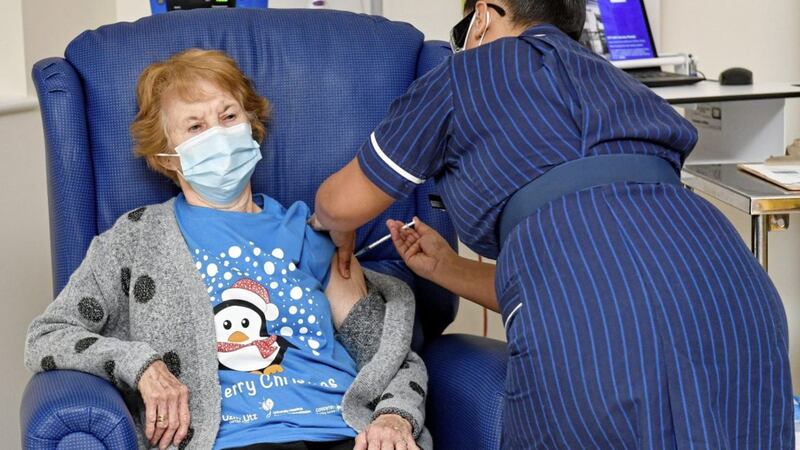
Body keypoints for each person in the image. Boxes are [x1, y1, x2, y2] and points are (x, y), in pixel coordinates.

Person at [312, 1, 794, 448]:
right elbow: (613, 268)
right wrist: (448, 268)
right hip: (734, 293)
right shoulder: (621, 84)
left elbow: (341, 203)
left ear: (482, 17)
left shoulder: (466, 73)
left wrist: (332, 227)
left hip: (595, 324)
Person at [25, 49, 432, 450]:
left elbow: (387, 355)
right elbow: (47, 336)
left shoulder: (311, 233)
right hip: (236, 439)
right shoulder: (136, 239)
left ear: (251, 125)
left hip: (344, 429)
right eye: (195, 126)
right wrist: (142, 366)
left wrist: (394, 418)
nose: (218, 134)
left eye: (229, 116)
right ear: (166, 156)